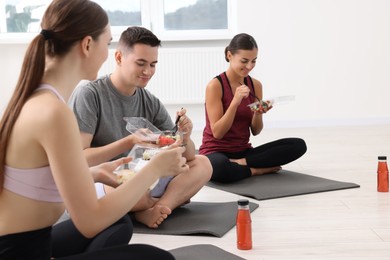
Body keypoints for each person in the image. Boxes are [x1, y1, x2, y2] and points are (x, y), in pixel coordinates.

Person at [0, 1, 183, 259]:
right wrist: (155, 168)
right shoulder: (54, 111)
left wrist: (94, 173)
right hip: (21, 251)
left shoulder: (35, 97)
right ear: (87, 45)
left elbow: (36, 177)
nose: (109, 54)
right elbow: (89, 221)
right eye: (107, 44)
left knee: (119, 223)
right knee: (156, 257)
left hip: (29, 241)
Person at [68, 26, 212, 229]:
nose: (148, 71)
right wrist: (129, 141)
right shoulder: (89, 94)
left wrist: (184, 137)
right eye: (141, 63)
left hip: (141, 177)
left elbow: (187, 157)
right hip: (106, 179)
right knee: (129, 192)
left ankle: (157, 208)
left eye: (153, 64)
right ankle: (149, 206)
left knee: (203, 164)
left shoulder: (149, 101)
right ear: (118, 58)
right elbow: (79, 159)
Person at [199, 33, 307, 183]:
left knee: (298, 145)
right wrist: (235, 102)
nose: (249, 66)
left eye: (253, 61)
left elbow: (256, 131)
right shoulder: (215, 86)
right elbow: (217, 132)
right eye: (244, 61)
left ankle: (241, 164)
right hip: (216, 152)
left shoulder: (255, 85)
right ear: (229, 55)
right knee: (218, 167)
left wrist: (258, 113)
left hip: (244, 153)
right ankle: (256, 170)